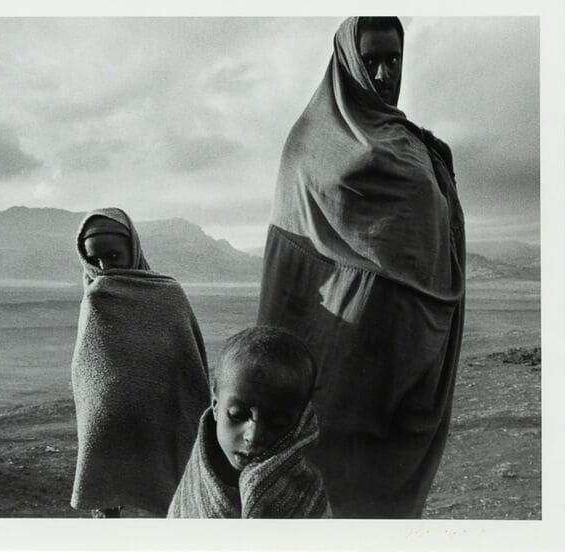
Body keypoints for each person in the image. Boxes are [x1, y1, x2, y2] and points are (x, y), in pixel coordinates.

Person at [257, 16, 465, 518]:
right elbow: (291, 263)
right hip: (336, 357)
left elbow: (440, 242)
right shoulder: (308, 143)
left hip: (411, 351)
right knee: (325, 490)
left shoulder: (419, 147)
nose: (382, 72)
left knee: (388, 502)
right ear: (347, 60)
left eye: (392, 59)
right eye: (369, 59)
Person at [70, 207, 211, 518]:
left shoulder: (167, 293)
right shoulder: (94, 295)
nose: (105, 267)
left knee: (169, 492)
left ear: (132, 248)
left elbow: (186, 358)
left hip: (159, 409)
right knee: (106, 493)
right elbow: (87, 367)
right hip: (108, 419)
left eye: (114, 256)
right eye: (95, 260)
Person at [168, 326, 330, 518]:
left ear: (299, 424)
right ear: (215, 406)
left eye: (277, 424)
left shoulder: (305, 492)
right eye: (238, 415)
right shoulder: (197, 478)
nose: (253, 436)